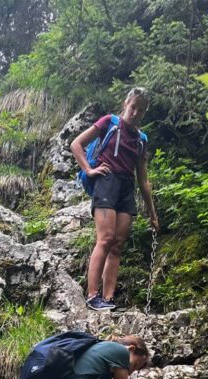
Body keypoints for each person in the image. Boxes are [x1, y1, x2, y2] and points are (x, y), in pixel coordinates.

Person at [71, 87, 160, 311]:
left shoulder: (141, 139)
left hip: (126, 187)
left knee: (117, 245)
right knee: (106, 238)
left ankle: (108, 300)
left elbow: (144, 180)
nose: (135, 112)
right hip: (106, 180)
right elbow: (76, 144)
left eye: (141, 110)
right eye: (133, 107)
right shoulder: (109, 122)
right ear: (125, 104)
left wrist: (152, 214)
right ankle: (93, 296)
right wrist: (89, 170)